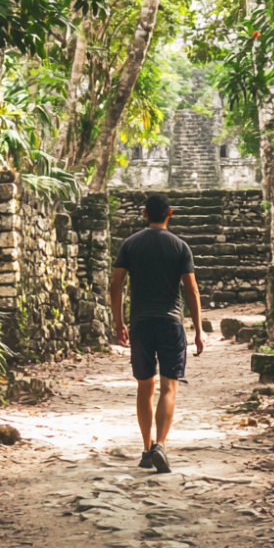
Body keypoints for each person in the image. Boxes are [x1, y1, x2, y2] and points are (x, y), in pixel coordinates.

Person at [110, 192, 204, 474]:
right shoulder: (180, 246)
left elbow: (116, 285)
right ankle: (161, 444)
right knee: (169, 387)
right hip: (171, 323)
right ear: (170, 213)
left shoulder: (130, 244)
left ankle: (146, 448)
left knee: (144, 386)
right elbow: (191, 289)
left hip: (140, 323)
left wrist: (119, 323)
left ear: (144, 214)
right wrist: (198, 330)